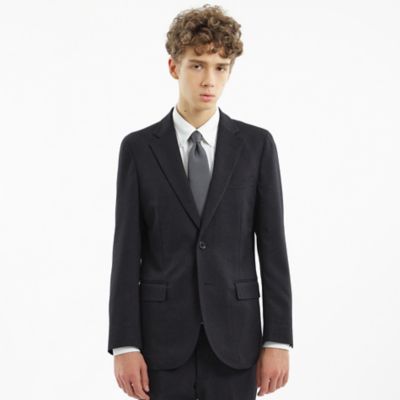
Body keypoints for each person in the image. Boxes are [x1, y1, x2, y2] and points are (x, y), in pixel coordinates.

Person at [107, 4, 293, 399]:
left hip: (237, 339)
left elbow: (273, 248)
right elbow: (125, 251)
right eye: (197, 65)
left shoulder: (256, 146)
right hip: (161, 342)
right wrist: (124, 344)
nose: (209, 80)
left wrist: (278, 339)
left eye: (220, 67)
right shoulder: (138, 149)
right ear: (173, 67)